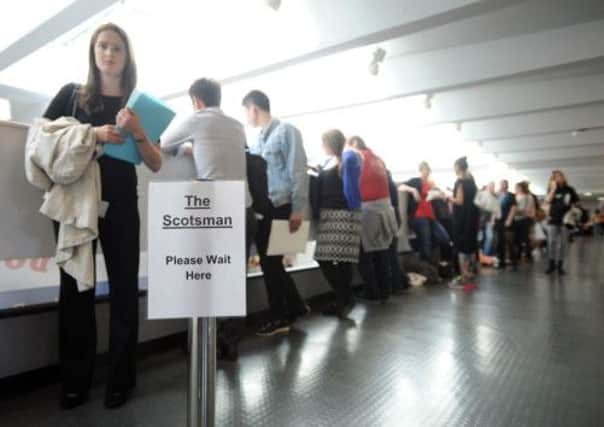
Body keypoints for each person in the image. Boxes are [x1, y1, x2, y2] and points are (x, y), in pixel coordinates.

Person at [43, 23, 162, 409]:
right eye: (102, 46)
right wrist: (93, 133)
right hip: (76, 202)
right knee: (76, 288)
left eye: (116, 48)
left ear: (127, 57)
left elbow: (155, 162)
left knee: (125, 289)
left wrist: (140, 132)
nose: (108, 53)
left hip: (123, 203)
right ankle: (75, 381)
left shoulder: (138, 105)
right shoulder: (71, 95)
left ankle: (121, 380)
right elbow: (42, 138)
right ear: (93, 52)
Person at [160, 78, 254, 360]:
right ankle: (231, 342)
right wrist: (195, 147)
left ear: (197, 101)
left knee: (205, 274)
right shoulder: (237, 125)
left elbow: (163, 143)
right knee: (234, 278)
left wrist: (188, 146)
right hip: (244, 206)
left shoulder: (197, 118)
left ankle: (203, 343)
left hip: (215, 207)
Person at [242, 90, 310, 336]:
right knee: (271, 262)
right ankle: (295, 306)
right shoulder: (259, 139)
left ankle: (280, 315)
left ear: (254, 109)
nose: (247, 117)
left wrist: (299, 209)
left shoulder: (286, 131)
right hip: (267, 208)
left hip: (284, 206)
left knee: (271, 263)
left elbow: (298, 170)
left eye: (246, 111)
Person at [311, 129, 362, 318]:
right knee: (335, 260)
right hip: (331, 215)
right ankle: (345, 298)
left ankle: (344, 299)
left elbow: (348, 189)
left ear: (330, 143)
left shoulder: (347, 160)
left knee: (338, 261)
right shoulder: (333, 161)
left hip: (342, 214)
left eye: (324, 143)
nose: (322, 146)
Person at [349, 136, 398, 302]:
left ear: (354, 145)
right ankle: (385, 289)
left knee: (363, 254)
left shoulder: (358, 158)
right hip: (385, 210)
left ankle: (371, 290)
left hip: (368, 211)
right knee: (381, 252)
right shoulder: (378, 159)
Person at [399, 161, 451, 266]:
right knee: (426, 244)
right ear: (421, 170)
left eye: (428, 170)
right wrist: (413, 190)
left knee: (443, 237)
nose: (427, 172)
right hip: (419, 216)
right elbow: (401, 187)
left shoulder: (429, 184)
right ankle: (426, 268)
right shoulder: (416, 181)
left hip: (430, 216)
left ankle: (429, 265)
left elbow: (431, 198)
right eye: (425, 170)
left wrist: (440, 195)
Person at [448, 156, 480, 289]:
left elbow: (459, 201)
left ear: (457, 167)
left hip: (462, 220)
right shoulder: (472, 182)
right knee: (470, 247)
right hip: (473, 218)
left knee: (461, 248)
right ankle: (469, 273)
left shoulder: (459, 182)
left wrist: (448, 197)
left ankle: (463, 277)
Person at [544, 170, 579, 274]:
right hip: (553, 219)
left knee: (563, 243)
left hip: (565, 220)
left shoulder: (569, 189)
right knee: (551, 242)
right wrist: (553, 188)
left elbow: (575, 201)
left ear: (563, 177)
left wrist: (572, 211)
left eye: (560, 176)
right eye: (556, 177)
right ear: (553, 179)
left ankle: (560, 265)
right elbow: (547, 201)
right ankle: (551, 264)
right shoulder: (552, 189)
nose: (559, 178)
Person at [494, 180, 517, 270]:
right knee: (500, 242)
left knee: (509, 241)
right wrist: (493, 219)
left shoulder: (511, 195)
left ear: (507, 185)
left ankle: (514, 262)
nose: (502, 186)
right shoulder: (497, 196)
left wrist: (509, 219)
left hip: (507, 220)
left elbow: (513, 208)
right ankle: (501, 262)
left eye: (504, 184)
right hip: (498, 221)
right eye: (501, 184)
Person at [513, 181, 535, 265]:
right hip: (517, 219)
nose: (516, 189)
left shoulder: (528, 197)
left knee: (525, 238)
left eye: (518, 187)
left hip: (525, 219)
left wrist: (517, 211)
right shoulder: (515, 196)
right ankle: (519, 255)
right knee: (517, 238)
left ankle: (528, 255)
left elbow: (528, 209)